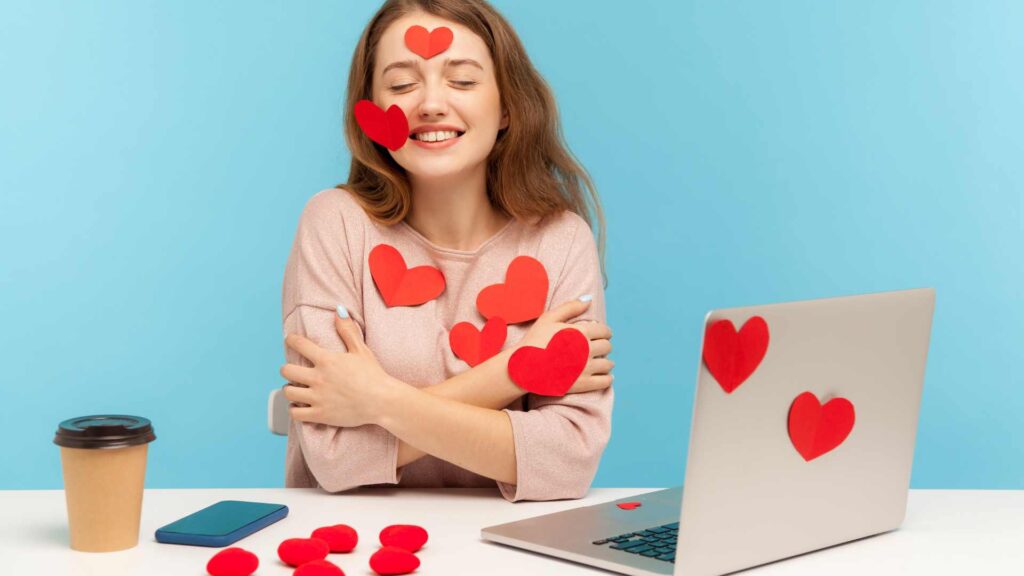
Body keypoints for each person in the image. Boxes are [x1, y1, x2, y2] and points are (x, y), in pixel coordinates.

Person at [279, 0, 614, 502]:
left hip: (506, 544)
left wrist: (378, 400)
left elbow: (567, 463)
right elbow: (336, 457)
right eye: (401, 84)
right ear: (369, 111)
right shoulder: (336, 224)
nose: (431, 103)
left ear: (507, 107)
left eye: (461, 80)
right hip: (358, 539)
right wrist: (515, 370)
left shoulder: (560, 240)